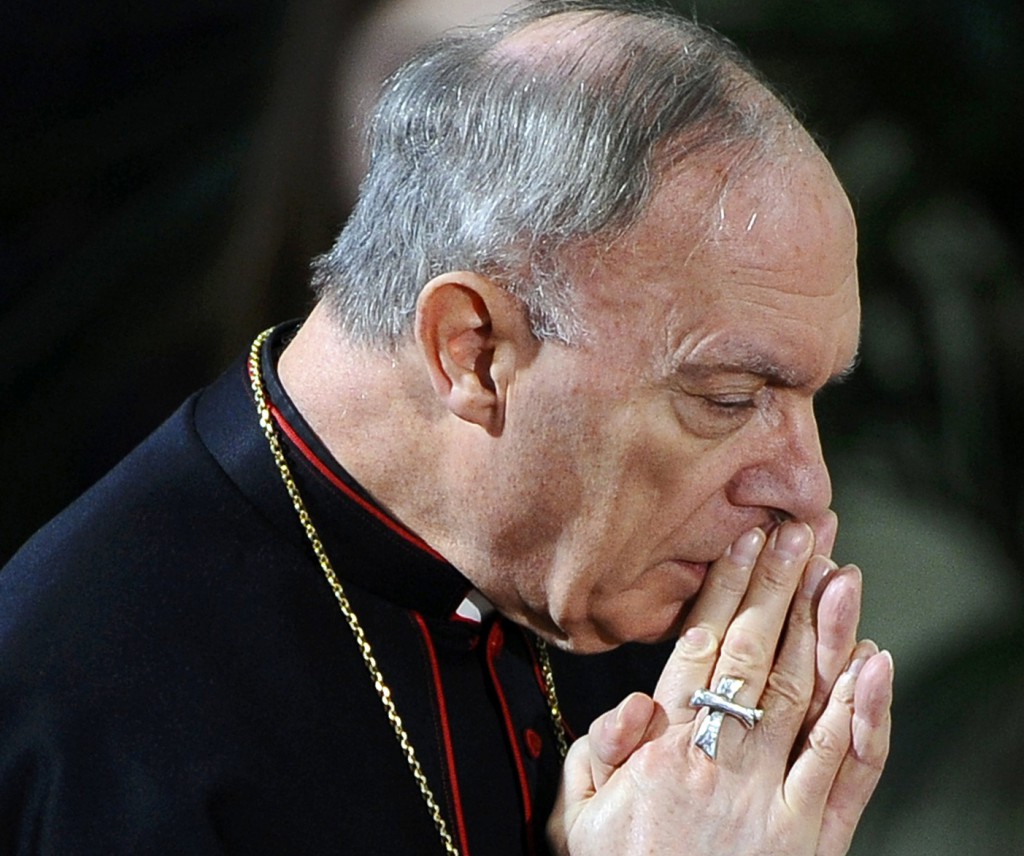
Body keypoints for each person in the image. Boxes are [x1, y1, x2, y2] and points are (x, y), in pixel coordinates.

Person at [0, 1, 893, 853]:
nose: (806, 488)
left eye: (815, 398)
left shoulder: (646, 625)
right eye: (730, 399)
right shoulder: (92, 714)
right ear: (471, 352)